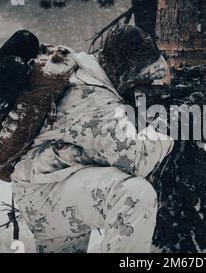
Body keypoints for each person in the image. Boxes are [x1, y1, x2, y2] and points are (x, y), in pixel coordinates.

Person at [9, 25, 173, 253]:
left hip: (48, 185)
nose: (144, 87)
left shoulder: (86, 75)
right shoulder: (91, 97)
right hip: (48, 195)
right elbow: (137, 159)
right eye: (141, 80)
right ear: (126, 70)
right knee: (134, 194)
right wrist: (167, 127)